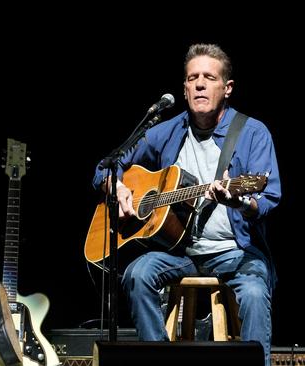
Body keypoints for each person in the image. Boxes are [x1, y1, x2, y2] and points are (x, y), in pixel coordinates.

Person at [92, 43, 280, 366]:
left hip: (235, 252)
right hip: (181, 252)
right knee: (137, 274)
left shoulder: (252, 133)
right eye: (193, 78)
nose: (200, 84)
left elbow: (267, 199)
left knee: (253, 292)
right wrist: (118, 187)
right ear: (184, 88)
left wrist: (238, 202)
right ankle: (163, 360)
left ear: (227, 88)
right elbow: (106, 167)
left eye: (209, 77)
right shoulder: (168, 130)